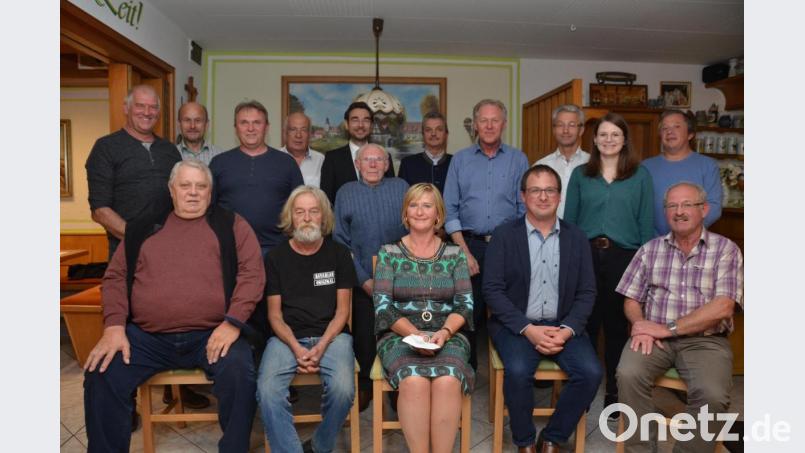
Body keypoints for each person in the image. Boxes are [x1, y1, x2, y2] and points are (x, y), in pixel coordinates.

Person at [83, 159, 265, 453]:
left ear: (210, 191)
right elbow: (115, 277)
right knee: (101, 372)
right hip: (147, 337)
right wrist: (114, 326)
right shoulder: (142, 228)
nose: (193, 192)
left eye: (201, 186)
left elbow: (253, 274)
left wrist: (232, 322)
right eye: (185, 185)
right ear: (171, 190)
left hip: (213, 332)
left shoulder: (232, 225)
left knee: (240, 373)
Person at [616, 182, 743, 453]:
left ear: (704, 209)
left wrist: (668, 328)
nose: (679, 211)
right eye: (672, 205)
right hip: (654, 339)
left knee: (713, 395)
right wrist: (639, 324)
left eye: (687, 204)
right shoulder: (650, 249)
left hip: (706, 342)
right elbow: (630, 298)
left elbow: (723, 307)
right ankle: (639, 449)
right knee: (628, 374)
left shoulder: (726, 250)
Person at [484, 165, 602, 453]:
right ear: (523, 196)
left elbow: (587, 292)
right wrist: (528, 330)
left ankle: (552, 437)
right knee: (519, 369)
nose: (543, 196)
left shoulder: (577, 238)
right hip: (517, 325)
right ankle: (524, 441)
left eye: (550, 190)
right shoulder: (504, 235)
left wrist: (567, 331)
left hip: (563, 325)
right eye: (535, 190)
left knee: (590, 372)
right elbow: (492, 291)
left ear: (559, 197)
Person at [563, 112, 654, 418]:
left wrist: (646, 266)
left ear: (624, 139)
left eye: (615, 134)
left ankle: (615, 392)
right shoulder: (580, 175)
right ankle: (584, 388)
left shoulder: (640, 175)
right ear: (595, 139)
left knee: (616, 326)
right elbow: (570, 224)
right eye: (603, 134)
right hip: (585, 255)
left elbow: (645, 224)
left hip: (624, 258)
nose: (609, 140)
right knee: (585, 323)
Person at [374, 183, 474, 453]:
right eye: (414, 205)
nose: (420, 211)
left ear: (438, 215)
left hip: (448, 334)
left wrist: (444, 333)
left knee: (448, 378)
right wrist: (414, 334)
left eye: (427, 205)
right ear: (405, 213)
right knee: (414, 380)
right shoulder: (388, 253)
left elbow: (465, 304)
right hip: (399, 335)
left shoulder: (455, 254)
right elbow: (383, 305)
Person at [257, 186, 356, 453]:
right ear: (291, 217)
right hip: (285, 337)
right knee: (266, 391)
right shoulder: (276, 258)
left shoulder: (339, 254)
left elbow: (342, 311)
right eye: (300, 212)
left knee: (343, 390)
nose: (307, 218)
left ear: (324, 217)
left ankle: (320, 446)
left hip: (333, 336)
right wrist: (296, 347)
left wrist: (322, 345)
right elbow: (274, 315)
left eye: (314, 211)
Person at [443, 98, 529, 369]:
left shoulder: (519, 159)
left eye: (495, 120)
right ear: (475, 125)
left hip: (507, 245)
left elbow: (522, 208)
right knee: (467, 313)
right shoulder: (460, 160)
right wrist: (464, 252)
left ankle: (511, 372)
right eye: (483, 120)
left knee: (508, 310)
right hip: (469, 245)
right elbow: (449, 210)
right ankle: (466, 372)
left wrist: (510, 245)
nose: (489, 125)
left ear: (503, 124)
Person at [210, 100, 304, 342]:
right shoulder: (219, 163)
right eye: (244, 123)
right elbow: (209, 210)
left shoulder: (286, 163)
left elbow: (300, 208)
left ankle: (272, 362)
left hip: (276, 251)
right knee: (235, 310)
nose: (250, 128)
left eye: (256, 123)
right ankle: (240, 361)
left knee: (273, 313)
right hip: (231, 252)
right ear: (235, 128)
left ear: (266, 127)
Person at [333, 143, 408, 411]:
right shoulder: (345, 192)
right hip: (361, 282)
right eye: (367, 160)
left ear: (387, 164)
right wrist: (364, 280)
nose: (373, 164)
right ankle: (366, 385)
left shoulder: (401, 188)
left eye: (379, 159)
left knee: (400, 336)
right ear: (358, 165)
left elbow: (415, 229)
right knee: (364, 338)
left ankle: (397, 388)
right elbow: (340, 242)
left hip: (401, 281)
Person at [85, 84, 181, 259]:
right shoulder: (106, 148)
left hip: (169, 249)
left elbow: (180, 199)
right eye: (140, 105)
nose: (147, 112)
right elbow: (100, 210)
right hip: (126, 250)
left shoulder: (170, 150)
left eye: (153, 107)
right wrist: (138, 239)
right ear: (126, 108)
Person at [641, 109, 722, 235]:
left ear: (690, 134)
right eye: (664, 128)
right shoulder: (646, 166)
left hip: (692, 241)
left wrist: (686, 232)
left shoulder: (707, 165)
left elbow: (714, 207)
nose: (669, 131)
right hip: (653, 243)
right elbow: (638, 207)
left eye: (676, 126)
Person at [320, 101, 395, 204]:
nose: (360, 125)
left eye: (366, 120)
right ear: (347, 124)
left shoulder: (385, 156)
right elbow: (326, 201)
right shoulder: (332, 159)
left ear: (372, 125)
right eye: (355, 120)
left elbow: (392, 195)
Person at [533, 104, 590, 218]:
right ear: (554, 129)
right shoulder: (540, 166)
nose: (565, 130)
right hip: (548, 231)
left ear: (581, 130)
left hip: (584, 233)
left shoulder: (593, 163)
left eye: (572, 125)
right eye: (560, 125)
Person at [398, 111, 452, 194]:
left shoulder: (456, 162)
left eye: (439, 129)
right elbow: (402, 199)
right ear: (423, 135)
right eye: (428, 130)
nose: (433, 133)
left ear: (446, 134)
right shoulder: (407, 164)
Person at [280, 112, 325, 187]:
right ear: (285, 133)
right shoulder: (273, 159)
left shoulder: (321, 161)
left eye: (303, 130)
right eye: (293, 129)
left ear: (310, 134)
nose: (298, 135)